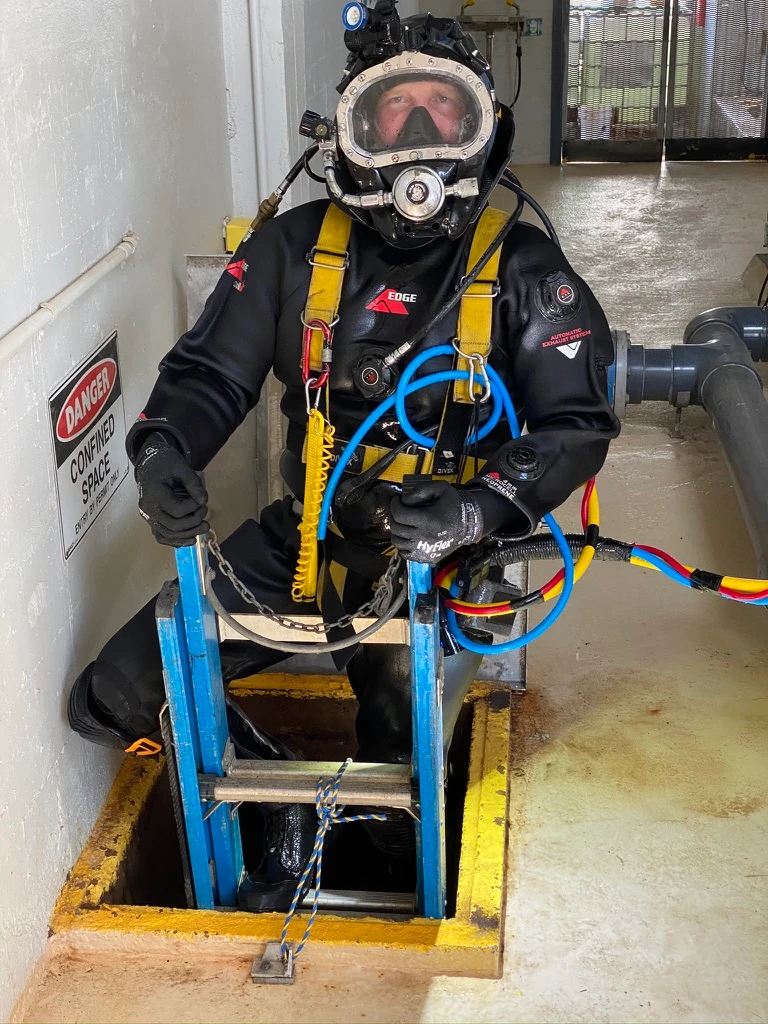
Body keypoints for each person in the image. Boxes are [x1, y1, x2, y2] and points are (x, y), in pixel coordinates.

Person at [68, 10, 619, 906]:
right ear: (348, 134)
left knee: (404, 739)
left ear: (486, 130)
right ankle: (277, 812)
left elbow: (577, 421)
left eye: (443, 115)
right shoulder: (290, 249)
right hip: (307, 543)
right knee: (115, 696)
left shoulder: (525, 268)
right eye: (390, 114)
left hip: (443, 557)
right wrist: (163, 448)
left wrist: (477, 510)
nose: (416, 141)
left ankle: (379, 861)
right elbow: (210, 374)